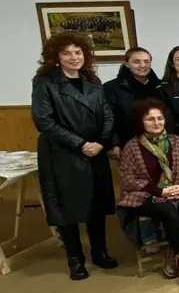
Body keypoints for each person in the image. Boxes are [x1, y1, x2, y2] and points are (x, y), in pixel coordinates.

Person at [32, 34, 118, 280]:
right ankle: (75, 259)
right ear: (56, 57)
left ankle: (100, 253)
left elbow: (107, 114)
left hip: (95, 151)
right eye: (67, 53)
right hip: (63, 153)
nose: (74, 58)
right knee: (67, 208)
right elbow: (44, 121)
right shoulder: (45, 82)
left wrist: (101, 142)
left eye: (78, 52)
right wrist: (80, 144)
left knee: (96, 204)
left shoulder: (92, 81)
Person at [118, 99, 179, 286]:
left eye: (160, 118)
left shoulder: (177, 141)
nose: (156, 123)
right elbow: (128, 179)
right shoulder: (132, 147)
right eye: (150, 119)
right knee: (168, 210)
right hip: (146, 195)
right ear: (140, 122)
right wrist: (160, 191)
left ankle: (173, 251)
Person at [104, 46, 161, 157]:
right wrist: (114, 143)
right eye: (136, 62)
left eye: (146, 61)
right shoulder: (112, 87)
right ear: (127, 64)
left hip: (157, 143)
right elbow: (108, 117)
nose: (142, 65)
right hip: (127, 144)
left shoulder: (159, 86)